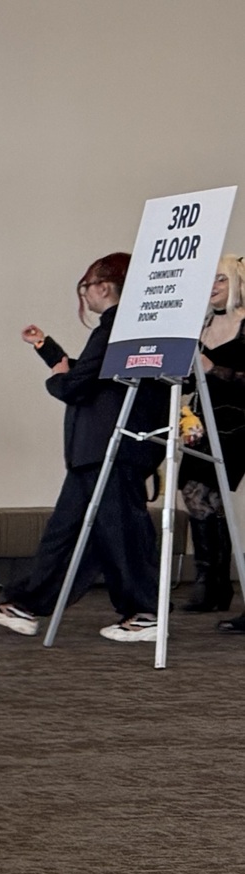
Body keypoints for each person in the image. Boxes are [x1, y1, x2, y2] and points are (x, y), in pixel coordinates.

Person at [0, 252, 165, 643]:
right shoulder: (129, 329)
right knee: (74, 531)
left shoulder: (114, 328)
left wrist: (57, 380)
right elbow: (92, 373)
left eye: (86, 288)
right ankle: (27, 605)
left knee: (114, 531)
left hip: (110, 448)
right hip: (104, 448)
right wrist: (49, 351)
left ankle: (144, 611)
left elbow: (78, 383)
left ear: (101, 287)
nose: (87, 296)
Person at [190, 254, 245, 627]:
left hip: (237, 427)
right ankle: (210, 583)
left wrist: (214, 370)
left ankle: (218, 584)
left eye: (220, 279)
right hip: (201, 425)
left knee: (217, 497)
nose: (212, 286)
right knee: (195, 494)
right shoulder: (202, 326)